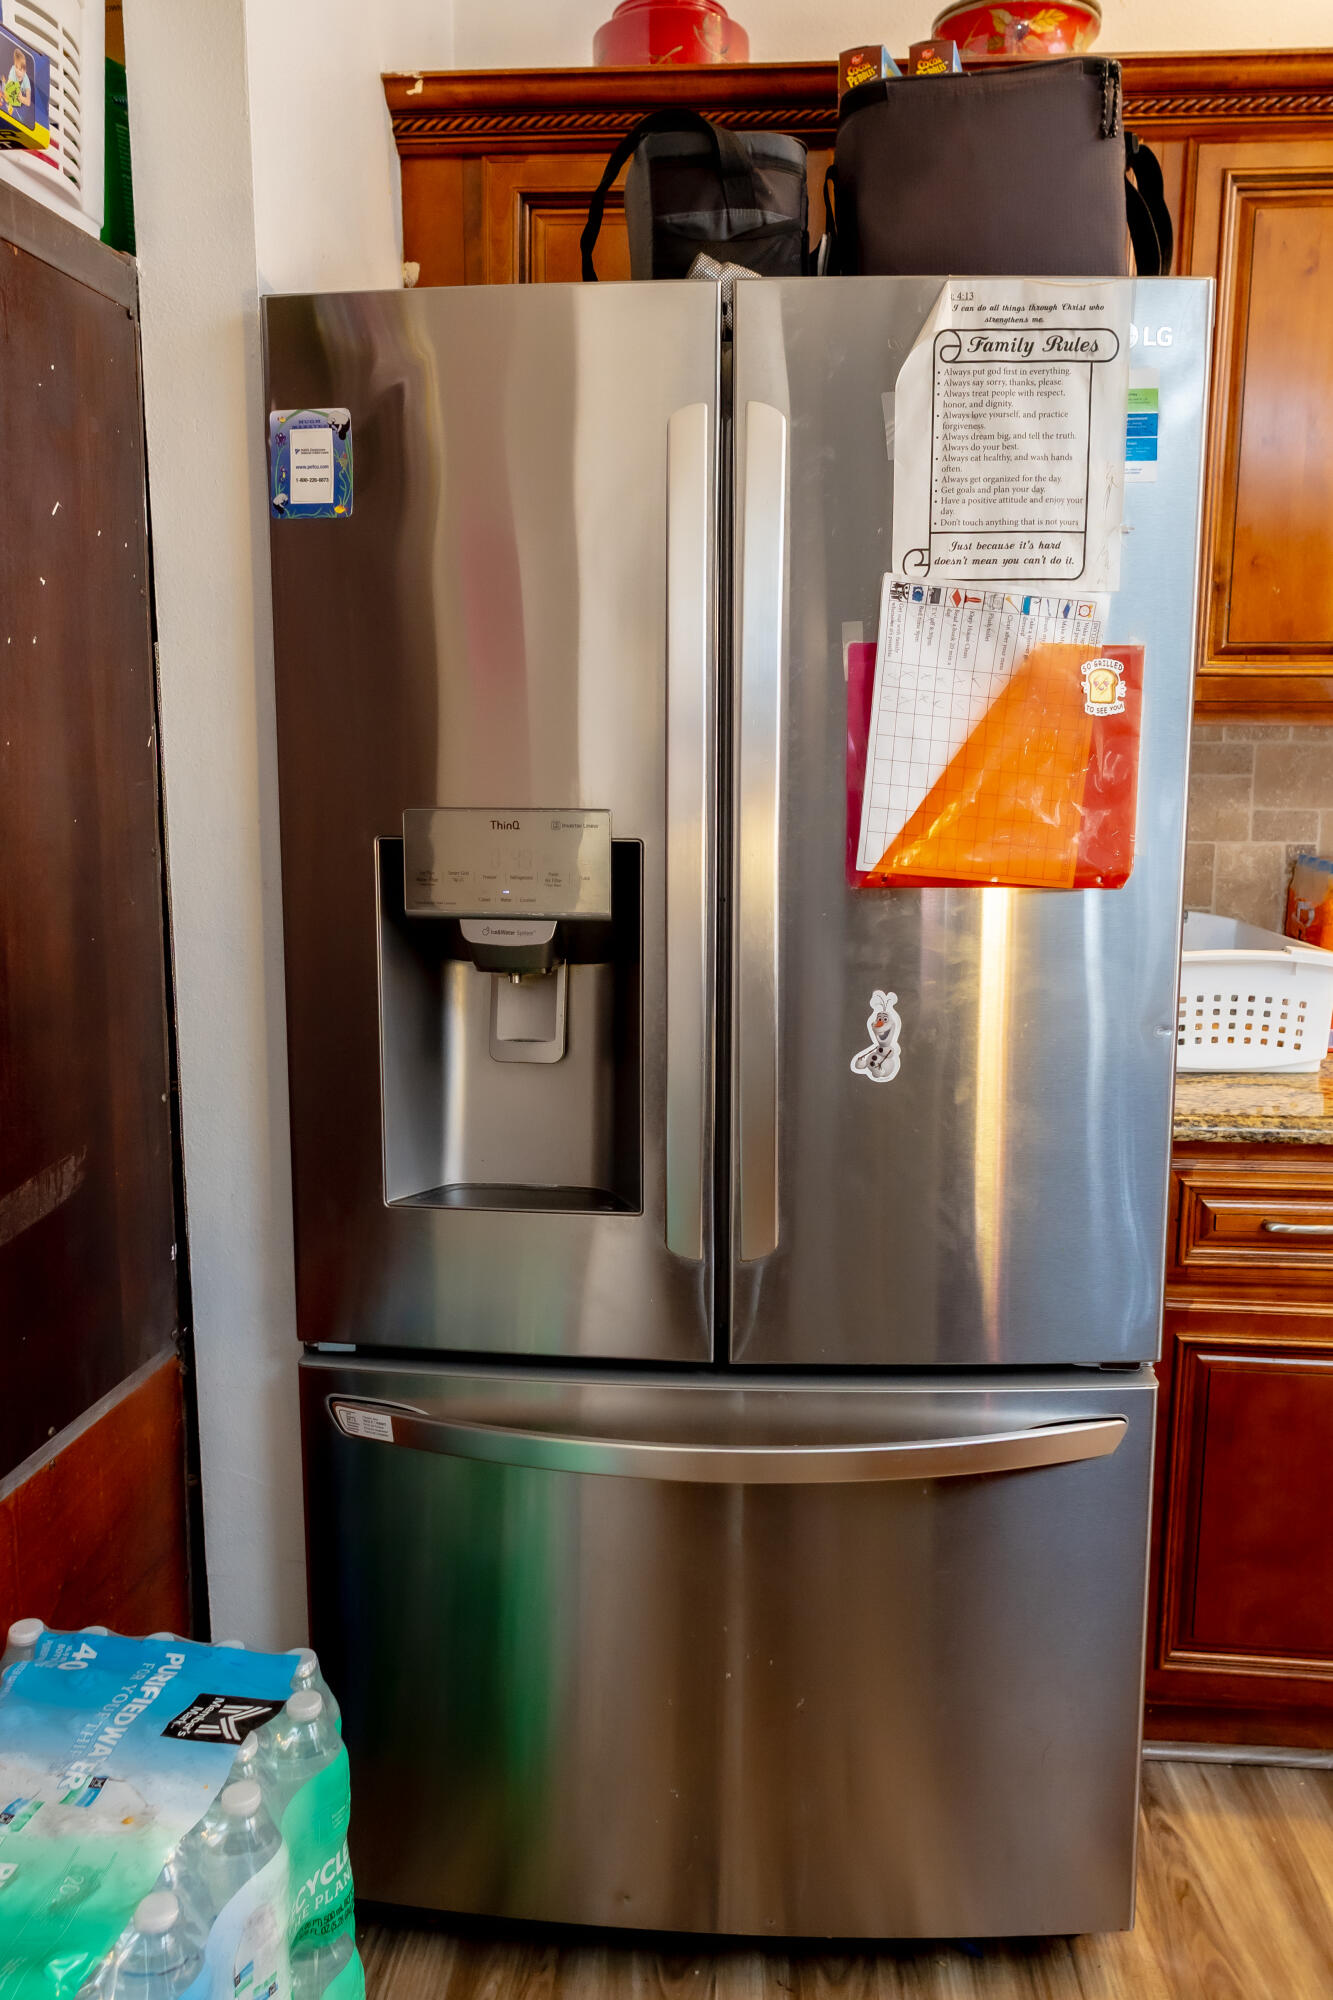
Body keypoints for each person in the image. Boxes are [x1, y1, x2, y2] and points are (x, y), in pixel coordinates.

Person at [5, 46, 32, 120]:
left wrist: (21, 98)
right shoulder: (13, 70)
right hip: (11, 103)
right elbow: (8, 87)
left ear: (24, 71)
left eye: (20, 69)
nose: (17, 70)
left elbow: (28, 102)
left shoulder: (26, 80)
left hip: (20, 106)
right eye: (16, 67)